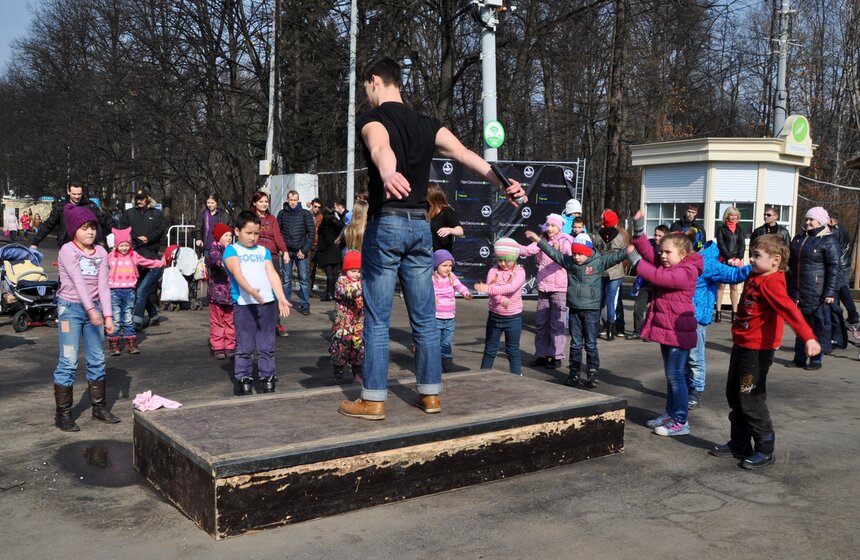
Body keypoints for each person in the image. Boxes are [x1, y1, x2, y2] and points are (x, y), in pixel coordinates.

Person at [337, 55, 526, 421]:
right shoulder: (428, 124)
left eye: (366, 87)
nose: (367, 95)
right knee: (424, 317)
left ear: (375, 80)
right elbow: (465, 154)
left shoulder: (373, 119)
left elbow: (380, 147)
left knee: (377, 318)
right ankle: (431, 394)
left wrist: (388, 173)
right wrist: (503, 184)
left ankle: (374, 399)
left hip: (387, 224)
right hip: (420, 228)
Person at [710, 234, 821, 469]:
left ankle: (765, 447)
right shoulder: (755, 274)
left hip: (757, 351)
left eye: (756, 256)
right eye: (751, 254)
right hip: (741, 345)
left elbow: (790, 312)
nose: (751, 259)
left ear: (775, 260)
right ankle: (739, 443)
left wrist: (809, 337)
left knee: (750, 397)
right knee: (734, 394)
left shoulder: (773, 284)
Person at [529, 231, 632, 388]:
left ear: (588, 252)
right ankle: (574, 372)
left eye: (580, 254)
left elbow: (614, 257)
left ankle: (592, 372)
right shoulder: (570, 262)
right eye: (574, 253)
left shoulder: (598, 262)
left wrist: (628, 251)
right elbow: (554, 253)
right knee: (576, 343)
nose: (576, 257)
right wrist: (539, 240)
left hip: (591, 310)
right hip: (574, 309)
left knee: (590, 343)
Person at [632, 211, 704, 437]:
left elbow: (659, 277)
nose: (662, 256)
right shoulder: (670, 264)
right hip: (667, 331)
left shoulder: (686, 272)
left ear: (683, 254)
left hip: (678, 332)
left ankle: (681, 421)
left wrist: (635, 261)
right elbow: (649, 253)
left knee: (676, 377)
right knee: (672, 375)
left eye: (667, 252)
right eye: (661, 251)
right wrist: (638, 229)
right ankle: (671, 414)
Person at [52, 204, 120, 431]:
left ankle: (99, 408)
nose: (90, 232)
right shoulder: (68, 251)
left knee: (97, 359)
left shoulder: (101, 252)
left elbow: (103, 286)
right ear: (74, 230)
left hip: (95, 311)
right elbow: (78, 282)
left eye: (92, 227)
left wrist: (107, 316)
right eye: (84, 227)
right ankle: (62, 414)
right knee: (68, 361)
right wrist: (91, 310)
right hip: (69, 310)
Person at [223, 211, 291, 396]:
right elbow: (237, 273)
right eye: (249, 233)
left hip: (267, 304)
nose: (253, 237)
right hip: (245, 304)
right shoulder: (232, 250)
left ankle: (267, 377)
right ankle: (243, 378)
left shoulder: (264, 251)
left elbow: (272, 275)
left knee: (267, 344)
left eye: (256, 233)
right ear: (237, 231)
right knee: (245, 345)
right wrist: (250, 290)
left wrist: (281, 297)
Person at [686, 235, 751, 409]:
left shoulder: (707, 262)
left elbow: (734, 274)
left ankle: (696, 391)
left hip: (696, 317)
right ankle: (684, 389)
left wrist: (756, 266)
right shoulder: (680, 258)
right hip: (680, 317)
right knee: (682, 357)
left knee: (694, 357)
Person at [785, 206, 840, 370]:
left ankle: (816, 359)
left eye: (811, 219)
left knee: (817, 325)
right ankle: (799, 357)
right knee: (799, 323)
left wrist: (830, 291)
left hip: (817, 290)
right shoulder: (799, 237)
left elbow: (834, 268)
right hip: (797, 289)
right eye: (807, 219)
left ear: (821, 221)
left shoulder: (829, 240)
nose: (808, 222)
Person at [518, 213, 572, 369]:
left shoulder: (565, 239)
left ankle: (556, 356)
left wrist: (559, 247)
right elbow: (526, 251)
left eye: (553, 225)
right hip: (543, 287)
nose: (549, 228)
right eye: (548, 225)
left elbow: (571, 252)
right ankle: (541, 355)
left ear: (559, 227)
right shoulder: (541, 241)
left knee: (557, 324)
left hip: (559, 288)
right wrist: (510, 246)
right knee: (541, 323)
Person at [106, 227, 164, 356]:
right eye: (121, 245)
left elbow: (146, 262)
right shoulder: (110, 256)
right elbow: (99, 265)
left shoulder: (134, 255)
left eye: (127, 245)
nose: (124, 248)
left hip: (129, 291)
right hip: (114, 291)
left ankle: (130, 342)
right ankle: (114, 344)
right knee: (115, 319)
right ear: (116, 245)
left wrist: (158, 263)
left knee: (127, 318)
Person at [474, 238, 527, 375]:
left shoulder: (520, 272)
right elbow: (492, 292)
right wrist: (500, 299)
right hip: (494, 317)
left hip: (513, 318)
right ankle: (483, 377)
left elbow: (511, 287)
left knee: (512, 350)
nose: (502, 263)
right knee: (490, 350)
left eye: (506, 260)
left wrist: (488, 289)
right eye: (499, 260)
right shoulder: (493, 271)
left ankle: (517, 378)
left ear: (514, 258)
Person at [120, 187, 166, 330]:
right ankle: (153, 315)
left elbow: (160, 231)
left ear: (148, 199)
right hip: (134, 256)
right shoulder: (129, 213)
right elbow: (124, 230)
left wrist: (148, 238)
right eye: (137, 199)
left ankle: (137, 322)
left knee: (142, 291)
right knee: (139, 289)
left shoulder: (156, 213)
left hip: (151, 256)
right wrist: (136, 238)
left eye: (142, 198)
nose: (139, 201)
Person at [249, 191, 289, 337]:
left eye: (266, 202)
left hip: (272, 258)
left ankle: (276, 322)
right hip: (255, 258)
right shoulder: (250, 218)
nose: (264, 204)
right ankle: (255, 321)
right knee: (257, 289)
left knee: (274, 290)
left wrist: (284, 251)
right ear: (254, 203)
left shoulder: (272, 219)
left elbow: (278, 236)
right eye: (261, 201)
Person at [31, 181, 111, 249]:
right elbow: (48, 225)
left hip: (87, 246)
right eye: (74, 194)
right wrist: (35, 242)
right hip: (67, 245)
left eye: (79, 194)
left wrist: (118, 232)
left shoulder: (90, 206)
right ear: (68, 191)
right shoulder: (61, 207)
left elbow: (104, 220)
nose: (77, 197)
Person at [432, 249, 473, 372]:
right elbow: (426, 291)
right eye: (444, 265)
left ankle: (447, 363)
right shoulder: (433, 278)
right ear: (436, 265)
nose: (448, 268)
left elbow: (460, 286)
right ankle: (434, 364)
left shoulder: (451, 276)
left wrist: (466, 293)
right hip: (436, 317)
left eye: (450, 265)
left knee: (447, 343)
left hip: (450, 317)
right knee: (435, 343)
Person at [277, 190, 315, 316]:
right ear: (287, 200)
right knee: (286, 279)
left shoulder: (305, 214)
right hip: (287, 251)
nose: (293, 202)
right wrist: (283, 250)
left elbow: (311, 234)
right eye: (291, 200)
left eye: (295, 200)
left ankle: (304, 304)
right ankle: (286, 303)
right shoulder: (282, 214)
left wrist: (304, 250)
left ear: (298, 200)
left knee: (303, 279)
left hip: (301, 252)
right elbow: (278, 233)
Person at [330, 250, 365, 385]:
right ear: (346, 269)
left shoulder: (362, 282)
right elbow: (346, 292)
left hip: (358, 319)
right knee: (341, 343)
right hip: (343, 320)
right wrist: (360, 291)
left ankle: (357, 371)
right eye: (353, 270)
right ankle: (338, 371)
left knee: (358, 345)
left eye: (359, 271)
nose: (356, 274)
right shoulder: (341, 281)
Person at [593, 209, 626, 341]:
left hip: (601, 271)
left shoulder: (597, 236)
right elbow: (624, 254)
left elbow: (594, 253)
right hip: (615, 272)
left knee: (599, 301)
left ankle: (595, 328)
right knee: (611, 301)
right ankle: (611, 331)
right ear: (615, 222)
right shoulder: (620, 237)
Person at [629, 225, 667, 340]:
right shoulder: (649, 245)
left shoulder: (667, 249)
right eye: (655, 234)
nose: (656, 237)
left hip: (659, 284)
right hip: (646, 283)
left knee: (654, 311)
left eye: (660, 236)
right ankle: (637, 331)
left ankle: (650, 332)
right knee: (638, 308)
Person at [207, 223, 235, 360]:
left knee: (230, 320)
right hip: (217, 294)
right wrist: (230, 265)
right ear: (219, 237)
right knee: (218, 321)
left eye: (230, 235)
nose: (229, 238)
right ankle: (218, 346)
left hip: (231, 294)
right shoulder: (214, 249)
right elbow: (216, 260)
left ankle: (230, 345)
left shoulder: (233, 250)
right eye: (226, 235)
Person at [828, 211, 860, 328]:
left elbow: (834, 250)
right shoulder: (842, 230)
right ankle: (851, 315)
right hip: (844, 264)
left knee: (839, 290)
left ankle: (852, 315)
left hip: (839, 265)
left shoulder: (834, 231)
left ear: (831, 220)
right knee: (843, 289)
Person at [714, 206, 746, 323]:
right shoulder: (721, 229)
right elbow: (720, 244)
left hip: (736, 261)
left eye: (736, 216)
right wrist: (728, 258)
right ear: (727, 216)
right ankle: (718, 312)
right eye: (731, 215)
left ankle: (734, 313)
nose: (733, 217)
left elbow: (742, 245)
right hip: (724, 260)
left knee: (734, 287)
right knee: (721, 286)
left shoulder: (740, 230)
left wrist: (738, 258)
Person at [316, 203, 346, 302]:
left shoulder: (324, 226)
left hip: (327, 252)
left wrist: (320, 249)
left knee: (329, 274)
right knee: (335, 273)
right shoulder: (338, 224)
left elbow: (324, 240)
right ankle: (335, 293)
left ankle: (329, 294)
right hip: (336, 250)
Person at [427, 183, 464, 252]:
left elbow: (460, 231)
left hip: (441, 254)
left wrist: (449, 230)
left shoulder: (446, 211)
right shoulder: (424, 210)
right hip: (425, 253)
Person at [307, 198, 324, 297]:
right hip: (307, 243)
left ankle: (310, 289)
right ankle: (306, 289)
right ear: (312, 205)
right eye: (315, 206)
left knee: (313, 267)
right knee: (307, 267)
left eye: (319, 207)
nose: (317, 209)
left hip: (316, 244)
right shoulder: (307, 214)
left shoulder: (321, 217)